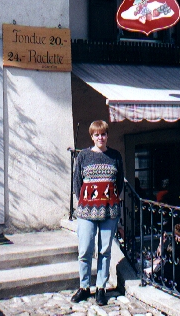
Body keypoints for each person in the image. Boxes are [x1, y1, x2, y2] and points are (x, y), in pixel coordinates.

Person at [70, 120, 124, 305]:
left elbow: (118, 183)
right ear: (92, 136)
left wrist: (107, 199)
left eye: (103, 134)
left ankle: (101, 288)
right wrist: (88, 201)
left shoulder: (115, 156)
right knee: (85, 249)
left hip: (109, 211)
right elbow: (77, 182)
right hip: (87, 211)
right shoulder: (83, 156)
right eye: (96, 134)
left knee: (105, 250)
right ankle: (84, 287)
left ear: (107, 135)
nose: (100, 137)